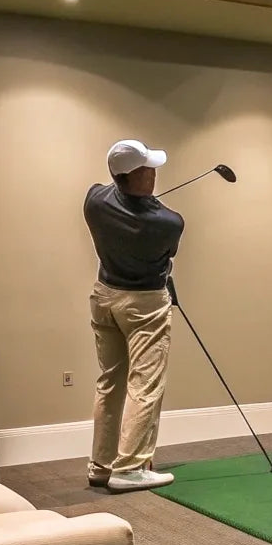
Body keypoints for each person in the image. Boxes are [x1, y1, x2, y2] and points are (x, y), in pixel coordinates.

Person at [84, 139, 184, 491]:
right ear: (132, 175)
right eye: (147, 170)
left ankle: (101, 465)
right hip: (144, 305)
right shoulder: (168, 222)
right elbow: (168, 251)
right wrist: (150, 204)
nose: (154, 174)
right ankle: (129, 468)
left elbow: (110, 192)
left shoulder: (94, 200)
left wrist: (137, 200)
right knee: (145, 384)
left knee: (109, 382)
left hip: (104, 297)